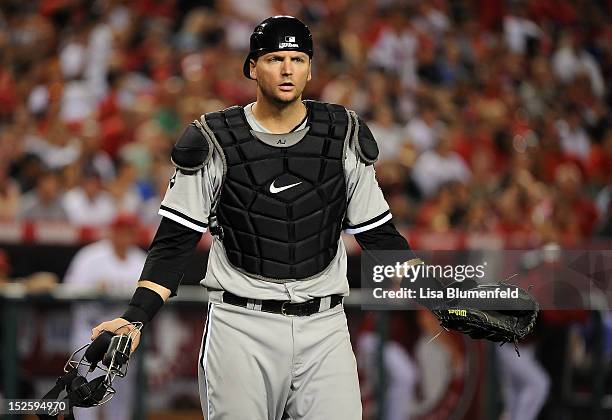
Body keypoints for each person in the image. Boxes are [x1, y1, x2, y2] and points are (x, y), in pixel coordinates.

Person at [90, 16, 450, 419]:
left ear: (310, 69)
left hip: (325, 326)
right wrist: (135, 318)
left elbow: (381, 236)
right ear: (251, 67)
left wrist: (442, 296)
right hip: (241, 326)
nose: (286, 69)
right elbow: (173, 243)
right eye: (275, 58)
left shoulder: (342, 132)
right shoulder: (214, 138)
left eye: (297, 59)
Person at [64, 213, 146, 420]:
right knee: (84, 394)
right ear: (112, 232)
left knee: (120, 397)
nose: (124, 235)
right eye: (120, 230)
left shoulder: (140, 261)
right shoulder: (90, 257)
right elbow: (67, 291)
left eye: (129, 231)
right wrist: (95, 291)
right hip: (90, 331)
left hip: (124, 338)